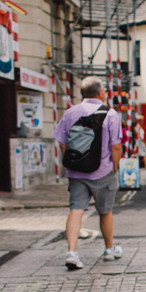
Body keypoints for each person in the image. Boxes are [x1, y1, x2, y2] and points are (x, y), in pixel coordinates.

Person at [52, 76, 123, 271]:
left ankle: (72, 252)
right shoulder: (111, 114)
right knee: (105, 211)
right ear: (101, 92)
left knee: (76, 209)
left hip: (76, 173)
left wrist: (74, 163)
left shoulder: (69, 113)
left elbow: (61, 142)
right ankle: (109, 249)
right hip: (103, 171)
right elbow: (116, 146)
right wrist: (114, 167)